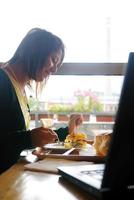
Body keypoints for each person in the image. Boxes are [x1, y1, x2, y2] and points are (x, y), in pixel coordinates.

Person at [0, 28, 67, 174]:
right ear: (36, 52)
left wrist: (67, 132)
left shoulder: (19, 89)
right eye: (53, 60)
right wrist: (29, 139)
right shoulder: (2, 82)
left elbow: (15, 137)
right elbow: (20, 139)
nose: (54, 70)